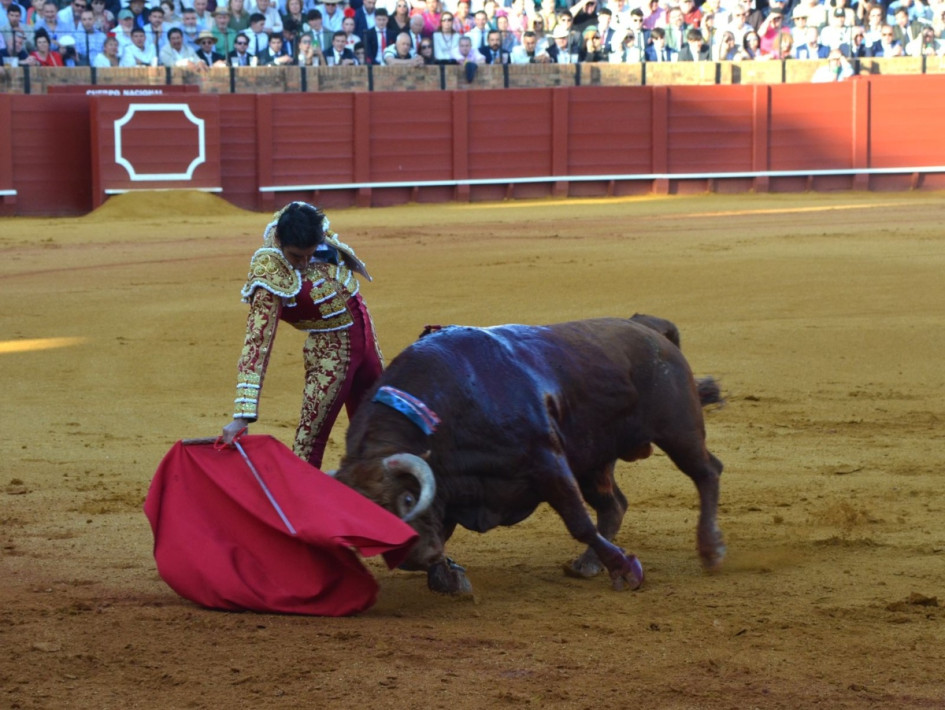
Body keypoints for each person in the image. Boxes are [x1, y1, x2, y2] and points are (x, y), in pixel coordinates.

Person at [222, 202, 383, 471]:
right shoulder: (269, 276)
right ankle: (297, 510)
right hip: (330, 350)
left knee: (377, 429)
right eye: (297, 257)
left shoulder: (308, 231)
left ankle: (378, 502)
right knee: (309, 443)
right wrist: (242, 416)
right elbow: (256, 342)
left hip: (365, 332)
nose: (305, 262)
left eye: (310, 255)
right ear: (281, 243)